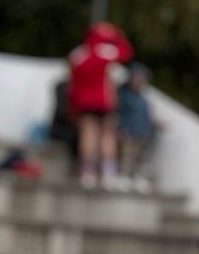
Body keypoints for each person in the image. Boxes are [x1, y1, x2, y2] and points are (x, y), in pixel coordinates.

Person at [66, 22, 133, 189]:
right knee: (107, 135)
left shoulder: (78, 54)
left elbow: (71, 82)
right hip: (103, 100)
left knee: (88, 134)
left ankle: (88, 173)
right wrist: (117, 34)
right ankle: (108, 172)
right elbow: (127, 52)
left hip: (83, 102)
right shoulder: (105, 51)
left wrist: (72, 106)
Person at [115, 63, 157, 191]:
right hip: (128, 132)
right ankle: (123, 176)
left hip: (142, 133)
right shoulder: (123, 96)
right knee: (127, 156)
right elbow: (119, 114)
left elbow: (146, 116)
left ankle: (139, 178)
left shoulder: (143, 99)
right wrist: (120, 129)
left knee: (141, 157)